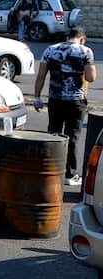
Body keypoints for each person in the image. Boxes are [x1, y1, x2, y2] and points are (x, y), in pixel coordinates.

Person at [34, 27, 96, 187]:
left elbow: (41, 76)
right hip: (76, 101)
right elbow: (91, 77)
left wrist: (37, 97)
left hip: (55, 100)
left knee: (53, 134)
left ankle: (48, 169)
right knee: (73, 137)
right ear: (82, 39)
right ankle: (70, 174)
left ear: (68, 37)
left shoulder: (50, 50)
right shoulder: (86, 51)